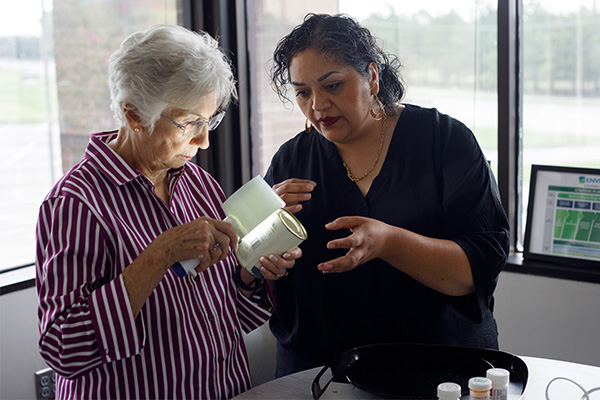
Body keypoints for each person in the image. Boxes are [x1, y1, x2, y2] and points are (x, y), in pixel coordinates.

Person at [35, 24, 299, 399]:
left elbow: (230, 319)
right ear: (133, 115)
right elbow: (64, 349)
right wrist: (160, 255)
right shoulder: (76, 204)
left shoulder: (198, 184)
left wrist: (250, 274)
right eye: (190, 123)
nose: (204, 140)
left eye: (210, 120)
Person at [265, 13, 510, 377]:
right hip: (318, 374)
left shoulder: (444, 142)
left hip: (439, 371)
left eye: (332, 86)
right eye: (302, 92)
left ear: (373, 77)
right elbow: (253, 270)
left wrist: (389, 242)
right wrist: (264, 244)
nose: (317, 106)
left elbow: (473, 273)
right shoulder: (292, 159)